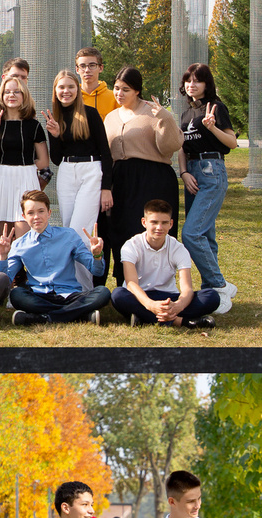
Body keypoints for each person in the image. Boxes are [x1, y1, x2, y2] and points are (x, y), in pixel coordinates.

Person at [102, 67, 184, 266]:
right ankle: (125, 277)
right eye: (116, 88)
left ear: (137, 91)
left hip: (152, 179)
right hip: (120, 181)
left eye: (126, 90)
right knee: (121, 228)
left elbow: (171, 146)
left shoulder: (154, 112)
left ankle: (156, 276)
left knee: (150, 229)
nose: (119, 94)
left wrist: (166, 119)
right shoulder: (111, 117)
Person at [0, 187, 113, 325]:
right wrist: (3, 256)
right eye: (31, 213)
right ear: (24, 216)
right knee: (17, 295)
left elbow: (97, 271)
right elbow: (5, 282)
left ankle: (44, 318)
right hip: (39, 296)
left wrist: (97, 255)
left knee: (103, 292)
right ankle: (79, 315)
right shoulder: (19, 245)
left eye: (41, 211)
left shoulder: (69, 235)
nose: (36, 217)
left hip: (70, 295)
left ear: (49, 213)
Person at [176, 62, 238, 302]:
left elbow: (232, 143)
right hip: (192, 173)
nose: (191, 85)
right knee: (205, 235)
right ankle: (211, 291)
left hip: (211, 170)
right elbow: (182, 147)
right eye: (188, 80)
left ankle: (220, 285)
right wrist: (183, 173)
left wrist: (212, 128)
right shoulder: (186, 113)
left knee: (191, 234)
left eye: (197, 80)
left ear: (206, 84)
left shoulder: (216, 107)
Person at [112, 199, 219, 327]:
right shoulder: (131, 245)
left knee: (211, 296)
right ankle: (181, 321)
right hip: (141, 296)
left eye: (164, 223)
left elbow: (187, 288)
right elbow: (131, 283)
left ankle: (145, 318)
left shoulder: (178, 248)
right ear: (144, 222)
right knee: (118, 295)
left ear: (171, 224)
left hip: (169, 297)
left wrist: (178, 306)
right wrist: (151, 305)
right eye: (154, 222)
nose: (159, 228)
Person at [0, 73, 51, 244]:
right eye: (7, 92)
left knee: (24, 240)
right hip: (1, 180)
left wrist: (25, 166)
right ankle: (4, 263)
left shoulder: (34, 125)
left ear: (24, 95)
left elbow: (44, 162)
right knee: (4, 240)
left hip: (26, 180)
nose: (11, 95)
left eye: (16, 92)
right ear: (1, 95)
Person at [45, 67, 112, 241]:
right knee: (68, 226)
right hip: (66, 172)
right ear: (55, 91)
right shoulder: (54, 117)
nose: (66, 91)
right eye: (61, 87)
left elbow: (105, 152)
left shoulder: (91, 113)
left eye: (71, 87)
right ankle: (74, 260)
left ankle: (85, 259)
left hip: (90, 170)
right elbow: (56, 159)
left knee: (81, 228)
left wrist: (106, 188)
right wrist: (55, 136)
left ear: (77, 89)